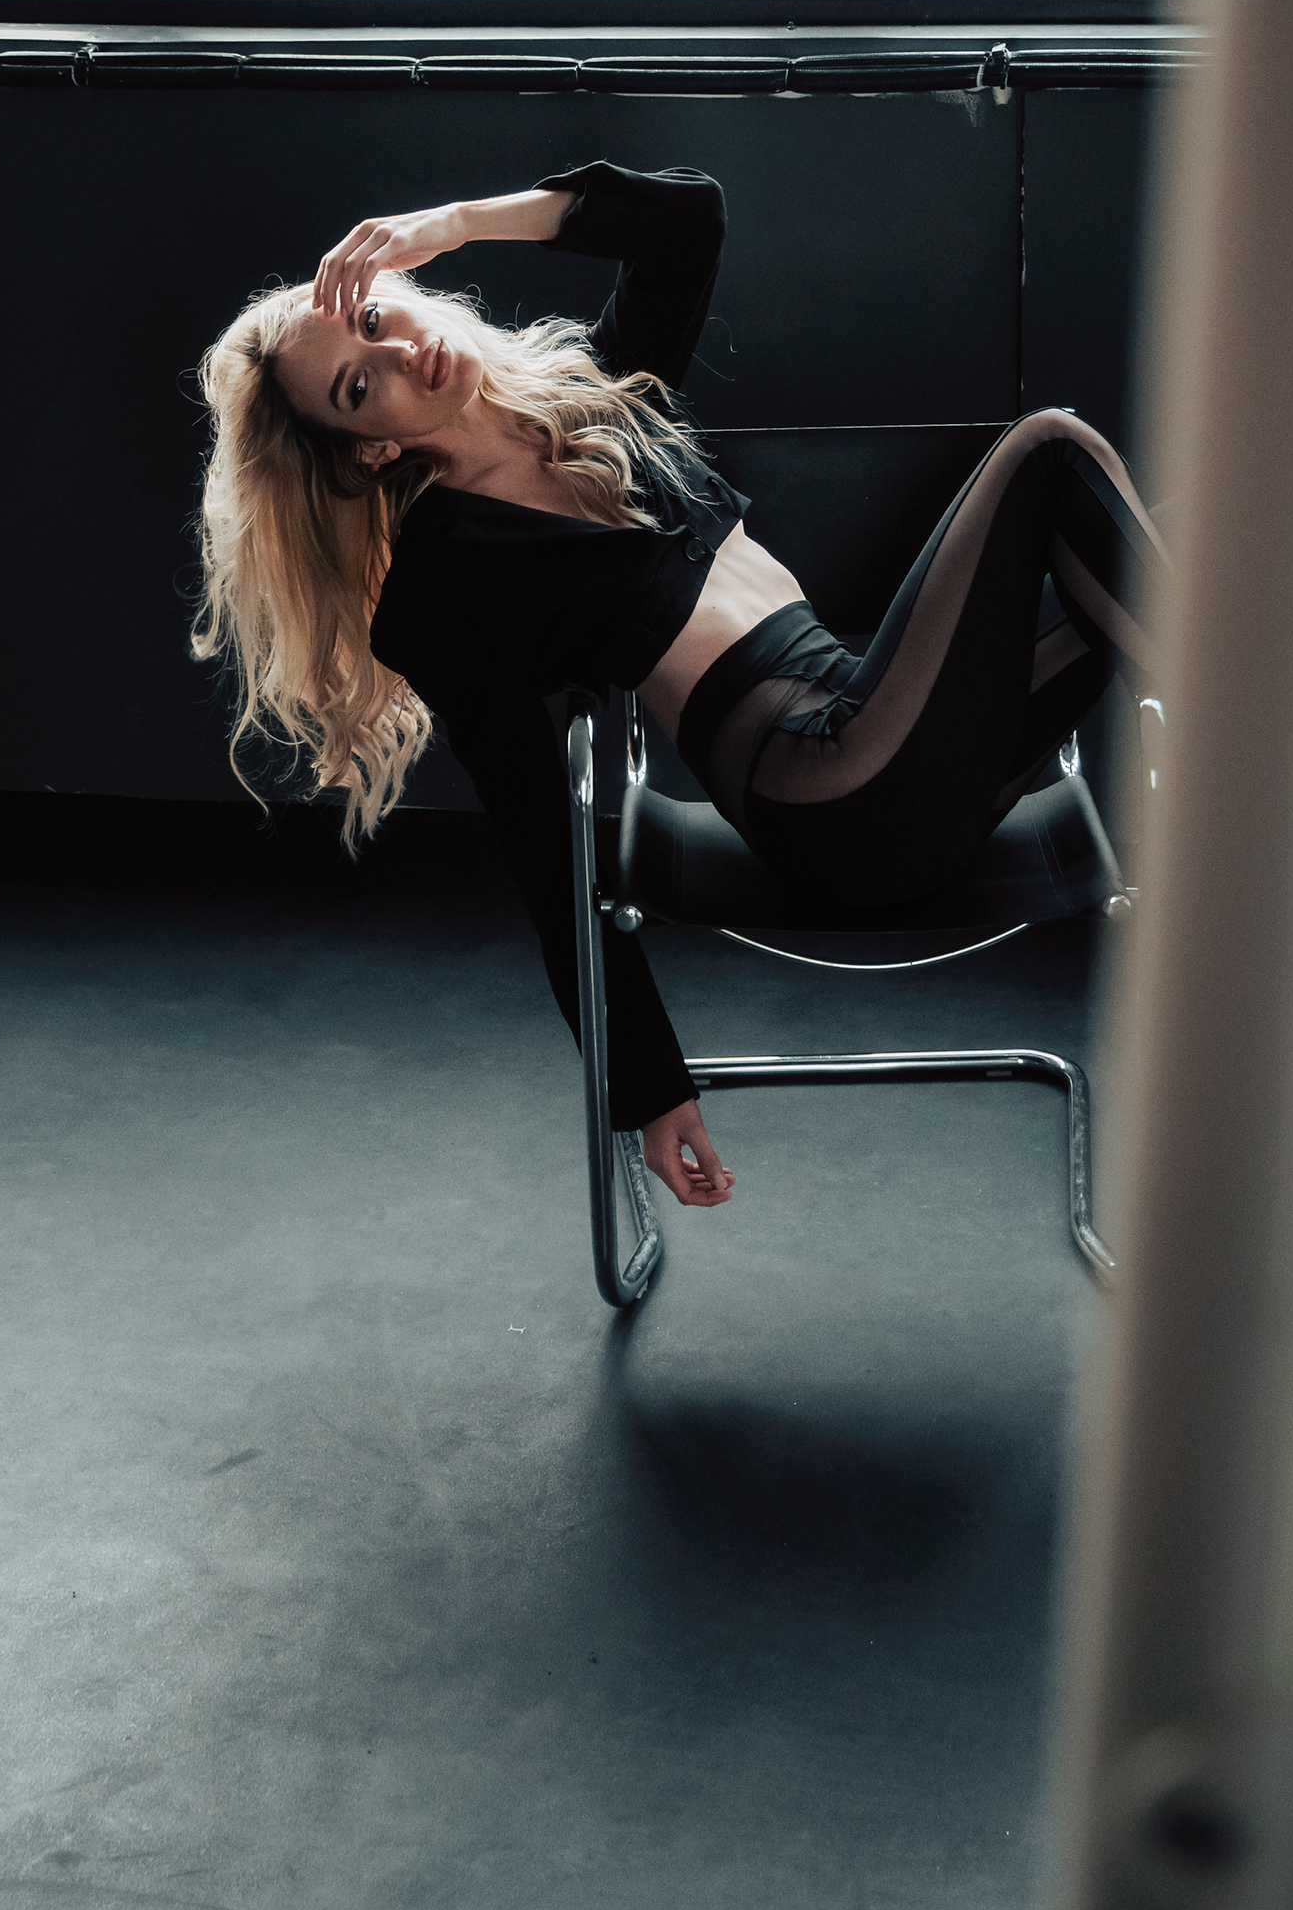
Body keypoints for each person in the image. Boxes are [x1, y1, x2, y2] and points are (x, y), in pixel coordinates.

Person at [193, 163, 1167, 1216]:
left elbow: (687, 219)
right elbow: (543, 847)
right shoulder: (448, 584)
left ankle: (1265, 785)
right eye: (357, 385)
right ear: (371, 447)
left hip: (899, 750)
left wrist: (455, 221)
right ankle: (1271, 789)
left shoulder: (597, 394)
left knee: (1159, 554)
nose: (394, 354)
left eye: (376, 318)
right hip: (834, 797)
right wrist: (650, 1088)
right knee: (1051, 449)